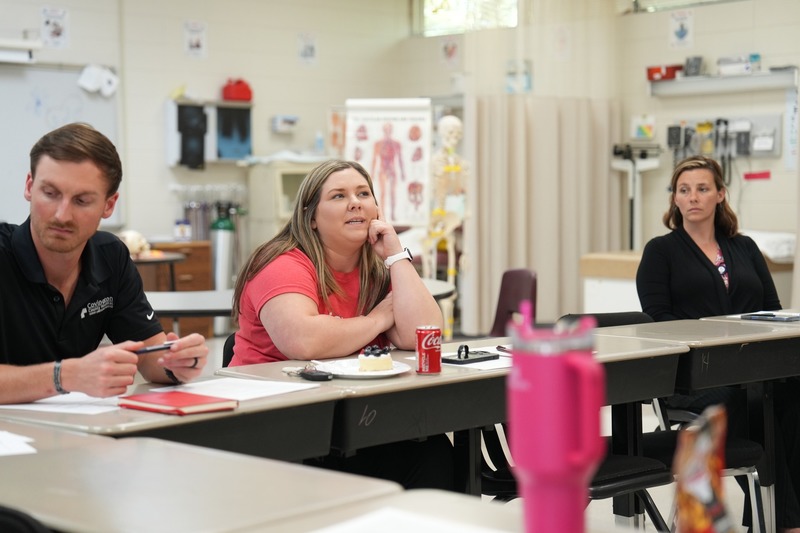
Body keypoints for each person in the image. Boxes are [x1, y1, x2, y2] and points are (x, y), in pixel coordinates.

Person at [231, 159, 454, 490]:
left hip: (350, 420)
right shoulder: (282, 263)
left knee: (437, 455)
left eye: (364, 193)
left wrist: (395, 255)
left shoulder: (377, 268)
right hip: (276, 427)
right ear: (312, 218)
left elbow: (423, 335)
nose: (355, 202)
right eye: (338, 196)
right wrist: (377, 318)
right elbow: (305, 341)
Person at [636, 155, 800, 532]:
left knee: (792, 395)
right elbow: (657, 322)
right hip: (692, 380)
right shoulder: (661, 252)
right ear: (675, 199)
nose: (693, 197)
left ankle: (778, 512)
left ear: (721, 195)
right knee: (754, 402)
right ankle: (785, 522)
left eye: (703, 189)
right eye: (684, 190)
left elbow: (772, 311)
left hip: (752, 372)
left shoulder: (744, 248)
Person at [0, 123, 209, 405]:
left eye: (82, 200)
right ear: (29, 186)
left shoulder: (111, 256)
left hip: (75, 433)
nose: (62, 215)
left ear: (109, 205)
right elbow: (69, 376)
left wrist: (179, 362)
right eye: (50, 193)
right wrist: (66, 376)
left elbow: (151, 359)